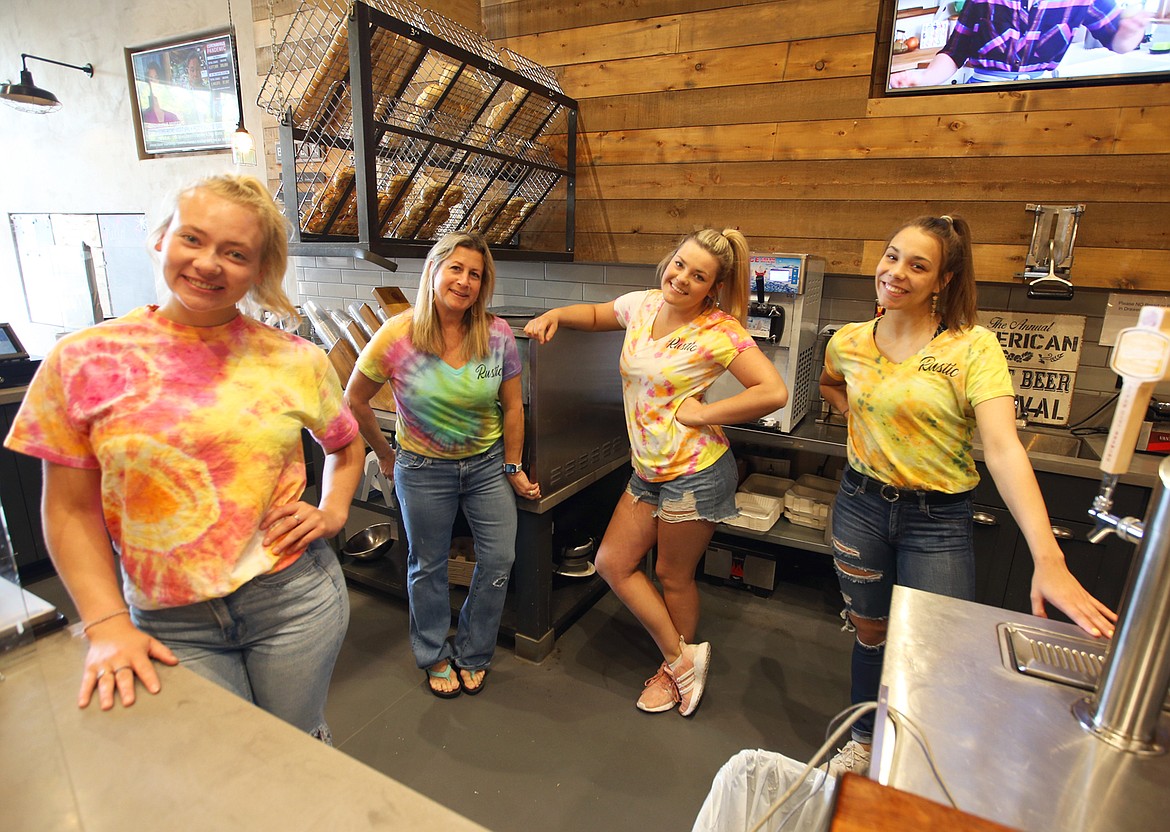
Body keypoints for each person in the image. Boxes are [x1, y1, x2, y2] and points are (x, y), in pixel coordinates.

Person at [4, 174, 365, 743]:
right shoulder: (84, 360)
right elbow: (70, 511)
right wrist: (105, 623)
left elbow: (345, 444)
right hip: (170, 616)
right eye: (193, 239)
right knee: (218, 759)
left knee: (298, 747)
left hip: (292, 599)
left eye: (236, 253)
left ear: (258, 270)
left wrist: (333, 510)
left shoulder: (294, 360)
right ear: (159, 239)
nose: (210, 264)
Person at [818, 214, 1117, 776]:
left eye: (918, 265)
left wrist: (1048, 556)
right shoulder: (849, 342)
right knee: (871, 631)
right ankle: (864, 737)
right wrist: (857, 416)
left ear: (945, 279)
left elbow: (1004, 449)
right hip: (859, 507)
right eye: (892, 255)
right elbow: (832, 383)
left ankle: (918, 758)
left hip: (937, 519)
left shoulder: (972, 348)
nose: (896, 272)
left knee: (934, 648)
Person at [524, 229, 789, 717]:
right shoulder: (643, 305)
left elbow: (773, 391)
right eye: (680, 265)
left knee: (672, 575)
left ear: (712, 286)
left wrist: (703, 414)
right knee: (611, 563)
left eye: (698, 275)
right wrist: (557, 315)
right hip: (648, 468)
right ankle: (683, 658)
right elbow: (601, 314)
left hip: (696, 470)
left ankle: (675, 671)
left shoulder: (720, 330)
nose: (682, 278)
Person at [344, 231, 540, 699]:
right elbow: (354, 398)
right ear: (433, 271)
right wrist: (385, 454)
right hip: (422, 469)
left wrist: (513, 467)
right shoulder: (398, 335)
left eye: (475, 274)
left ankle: (473, 651)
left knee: (498, 558)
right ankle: (432, 653)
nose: (465, 281)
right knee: (427, 565)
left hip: (487, 466)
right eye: (456, 268)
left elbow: (513, 408)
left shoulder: (497, 334)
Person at [891, 1, 1150, 87]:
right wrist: (924, 77)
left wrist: (1131, 32)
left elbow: (1118, 43)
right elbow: (955, 51)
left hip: (1043, 97)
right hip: (980, 94)